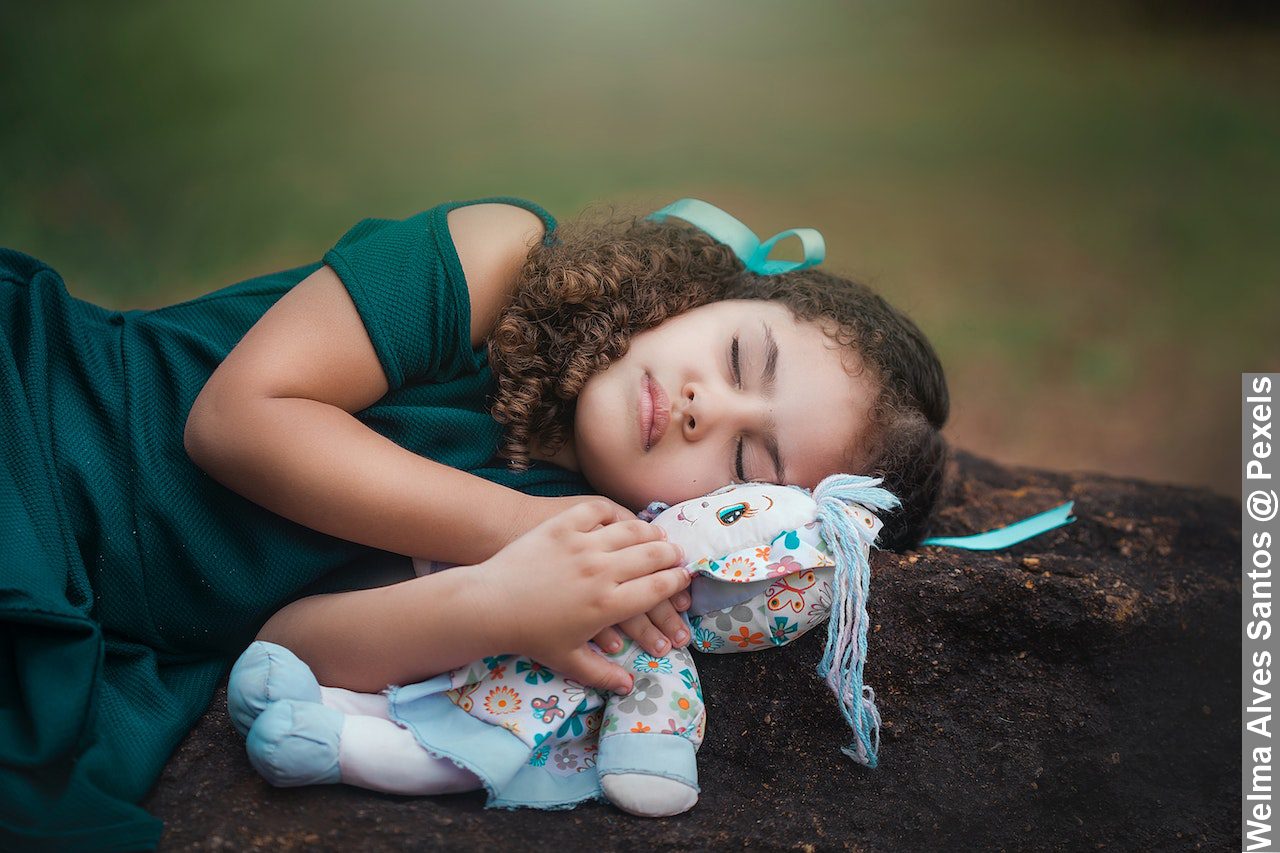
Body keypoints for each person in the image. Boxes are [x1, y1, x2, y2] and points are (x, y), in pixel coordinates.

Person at [0, 196, 949, 849]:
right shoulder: (501, 256)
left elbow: (282, 639)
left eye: (748, 463)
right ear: (713, 294)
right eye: (741, 353)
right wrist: (508, 535)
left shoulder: (580, 565)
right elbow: (236, 419)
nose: (709, 407)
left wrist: (496, 606)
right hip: (38, 411)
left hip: (97, 620)